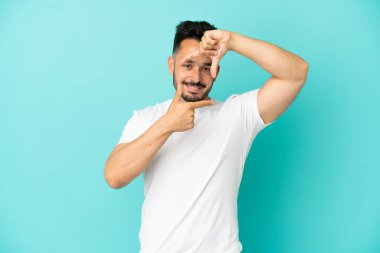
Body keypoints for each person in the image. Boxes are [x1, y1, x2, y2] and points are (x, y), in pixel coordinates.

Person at [104, 20, 309, 253]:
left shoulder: (237, 116)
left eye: (205, 66)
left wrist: (233, 41)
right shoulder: (145, 119)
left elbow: (296, 73)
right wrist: (166, 124)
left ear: (216, 71)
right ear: (171, 66)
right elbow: (114, 176)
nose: (196, 77)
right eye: (187, 65)